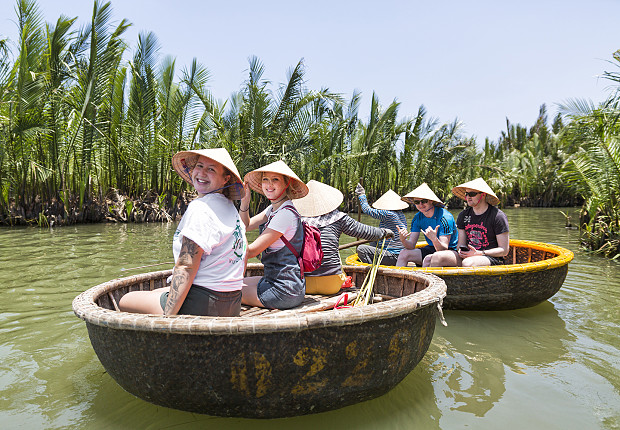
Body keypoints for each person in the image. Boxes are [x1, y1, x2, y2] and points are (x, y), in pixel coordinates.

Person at [118, 148, 247, 317]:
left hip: (205, 305)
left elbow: (186, 265)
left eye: (211, 169)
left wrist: (168, 317)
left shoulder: (201, 208)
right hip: (232, 303)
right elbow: (243, 257)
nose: (201, 173)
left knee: (126, 300)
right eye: (199, 166)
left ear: (226, 179)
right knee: (159, 291)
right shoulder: (231, 209)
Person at [292, 180, 394, 295]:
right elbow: (365, 231)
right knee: (341, 270)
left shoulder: (295, 220)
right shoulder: (338, 217)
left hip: (304, 284)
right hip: (331, 285)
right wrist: (384, 232)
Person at [239, 160, 309, 309]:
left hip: (283, 292)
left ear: (286, 184)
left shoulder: (285, 215)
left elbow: (249, 252)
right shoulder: (274, 209)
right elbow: (246, 225)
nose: (269, 184)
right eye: (265, 179)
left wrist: (235, 233)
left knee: (226, 290)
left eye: (275, 179)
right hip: (287, 284)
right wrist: (244, 203)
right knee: (238, 283)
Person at [430, 178, 510, 267]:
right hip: (469, 255)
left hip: (491, 257)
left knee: (468, 263)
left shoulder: (498, 216)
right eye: (466, 194)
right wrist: (461, 250)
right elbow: (461, 244)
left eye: (472, 194)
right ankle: (436, 281)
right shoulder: (463, 215)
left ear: (483, 195)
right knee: (437, 256)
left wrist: (480, 253)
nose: (468, 197)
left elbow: (504, 250)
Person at [396, 183, 458, 267]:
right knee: (403, 253)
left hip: (451, 252)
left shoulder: (445, 218)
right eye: (417, 202)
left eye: (424, 201)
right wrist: (403, 240)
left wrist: (434, 239)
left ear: (431, 201)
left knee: (428, 259)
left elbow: (443, 249)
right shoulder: (417, 218)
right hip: (432, 248)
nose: (421, 205)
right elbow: (411, 246)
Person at [355, 184, 407, 265]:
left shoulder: (389, 214)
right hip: (399, 254)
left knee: (361, 249)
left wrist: (361, 195)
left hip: (394, 256)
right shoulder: (400, 214)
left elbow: (367, 210)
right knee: (373, 241)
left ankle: (371, 268)